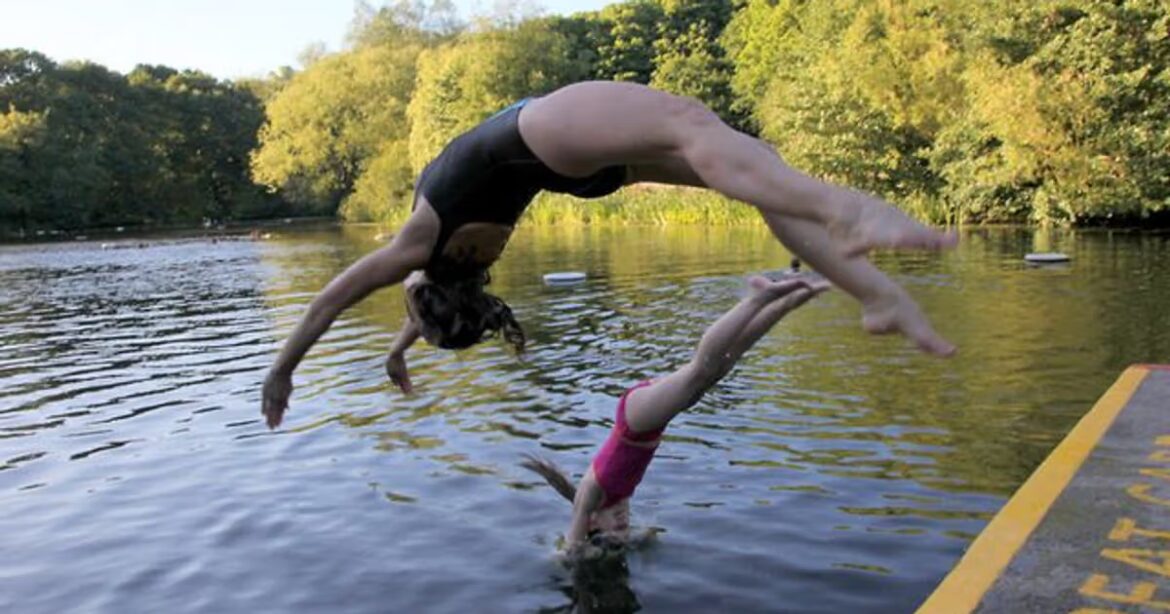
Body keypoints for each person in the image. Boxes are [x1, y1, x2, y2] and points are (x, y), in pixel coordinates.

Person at [262, 80, 955, 429]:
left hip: (574, 172)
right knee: (692, 125)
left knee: (749, 168)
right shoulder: (417, 248)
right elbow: (327, 303)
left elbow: (422, 313)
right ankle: (846, 210)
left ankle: (877, 295)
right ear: (423, 290)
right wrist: (281, 372)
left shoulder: (449, 274)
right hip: (539, 136)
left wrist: (397, 352)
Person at [522, 273, 831, 557]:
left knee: (701, 370)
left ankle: (756, 298)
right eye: (622, 527)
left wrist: (576, 550)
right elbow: (625, 528)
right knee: (721, 367)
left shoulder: (591, 498)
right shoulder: (611, 501)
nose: (622, 523)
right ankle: (788, 301)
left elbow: (571, 549)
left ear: (592, 522)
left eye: (614, 526)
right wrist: (624, 541)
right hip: (648, 424)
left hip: (633, 422)